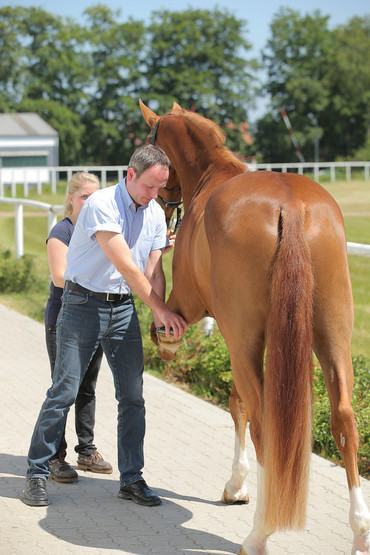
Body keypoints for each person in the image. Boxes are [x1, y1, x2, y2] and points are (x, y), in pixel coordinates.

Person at [23, 145, 188, 507]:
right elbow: (127, 266)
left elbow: (152, 272)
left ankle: (132, 479)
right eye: (149, 186)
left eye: (161, 188)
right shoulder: (101, 204)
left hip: (124, 310)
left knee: (133, 396)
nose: (154, 195)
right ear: (130, 174)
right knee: (64, 391)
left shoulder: (156, 213)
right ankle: (36, 473)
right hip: (82, 304)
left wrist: (161, 321)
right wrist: (161, 311)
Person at [44, 172, 112, 482]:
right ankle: (54, 457)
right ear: (71, 198)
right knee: (63, 390)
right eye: (84, 196)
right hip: (64, 320)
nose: (90, 202)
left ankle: (87, 452)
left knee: (87, 388)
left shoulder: (98, 231)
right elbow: (60, 277)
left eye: (94, 197)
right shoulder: (62, 232)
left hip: (92, 318)